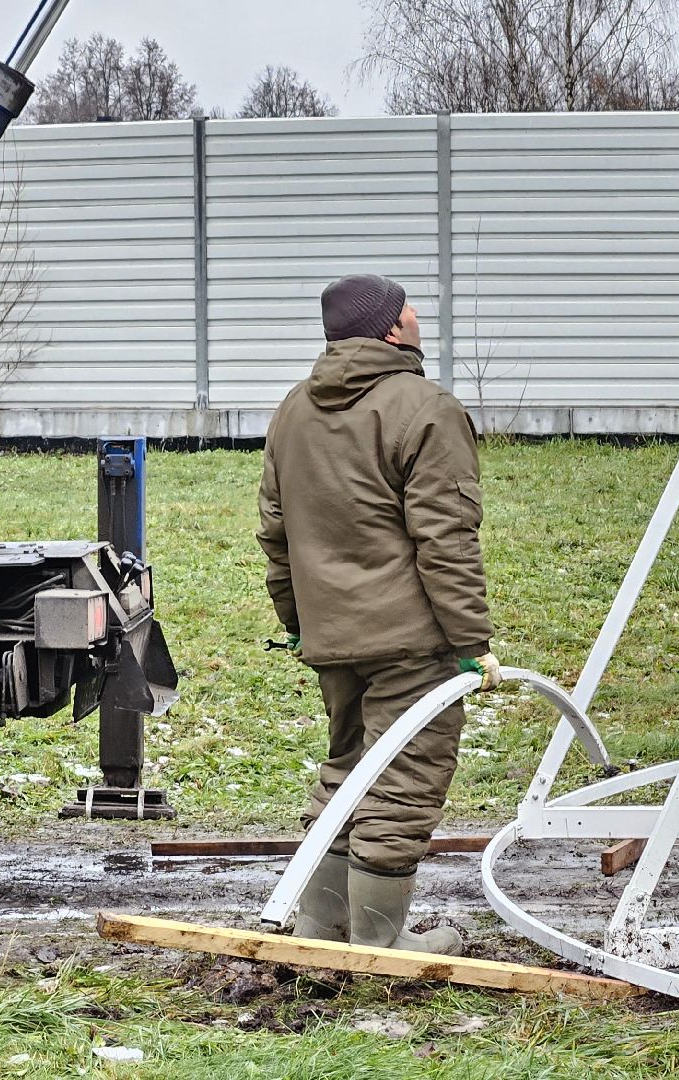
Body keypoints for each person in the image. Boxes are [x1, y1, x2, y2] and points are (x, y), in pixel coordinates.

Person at [256, 273, 501, 956]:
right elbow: (445, 538)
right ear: (391, 329)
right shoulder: (423, 407)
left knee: (347, 773)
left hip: (332, 636)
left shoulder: (293, 411)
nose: (418, 315)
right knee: (403, 784)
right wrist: (472, 643)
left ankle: (317, 935)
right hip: (410, 643)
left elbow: (275, 535)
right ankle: (376, 949)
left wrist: (300, 624)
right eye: (409, 308)